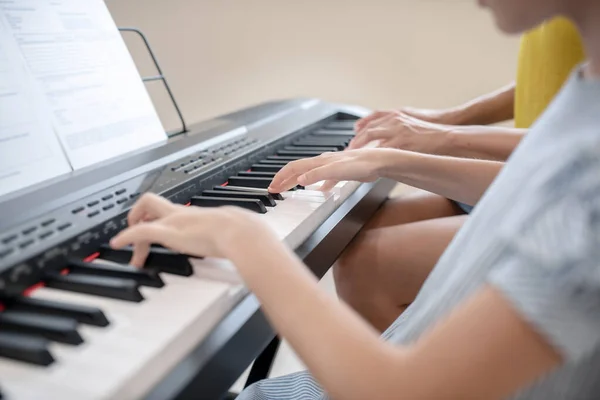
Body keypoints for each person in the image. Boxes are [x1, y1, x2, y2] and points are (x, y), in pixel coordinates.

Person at [110, 1, 600, 398]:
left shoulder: (588, 186)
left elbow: (401, 390)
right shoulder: (586, 90)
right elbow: (536, 180)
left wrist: (243, 237)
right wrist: (390, 160)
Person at [333, 16, 585, 331]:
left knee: (365, 269)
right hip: (523, 166)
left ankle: (429, 377)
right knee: (353, 235)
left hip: (561, 189)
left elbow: (583, 141)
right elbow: (559, 78)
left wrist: (442, 138)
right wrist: (449, 120)